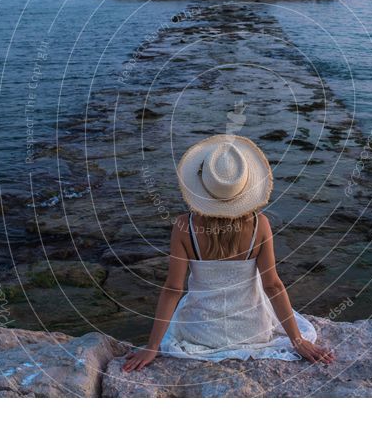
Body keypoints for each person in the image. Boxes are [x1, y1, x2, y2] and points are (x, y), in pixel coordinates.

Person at [123, 134, 334, 372]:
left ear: (201, 184)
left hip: (201, 333)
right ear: (243, 187)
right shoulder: (260, 224)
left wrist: (153, 346)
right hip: (254, 330)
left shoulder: (184, 226)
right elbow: (273, 285)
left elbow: (173, 288)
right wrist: (297, 340)